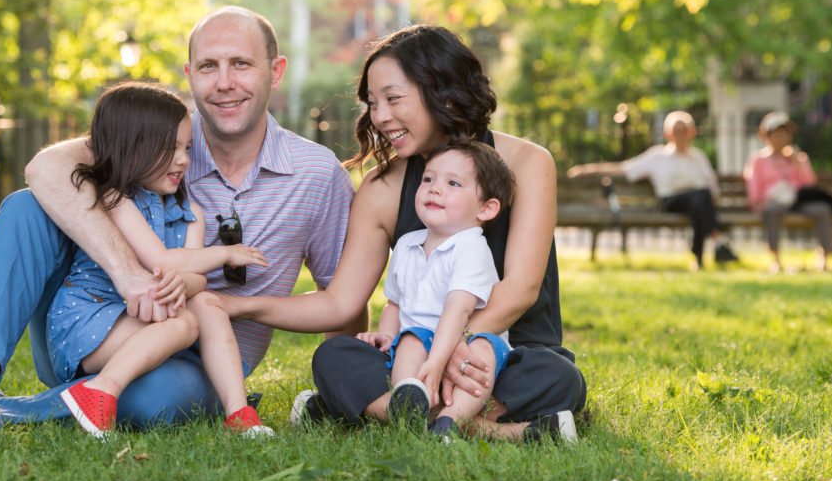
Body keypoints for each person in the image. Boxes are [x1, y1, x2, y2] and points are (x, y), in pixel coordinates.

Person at [0, 6, 354, 433]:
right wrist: (128, 274)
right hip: (93, 325)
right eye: (209, 66)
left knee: (160, 399)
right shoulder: (156, 137)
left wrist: (341, 383)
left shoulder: (316, 174)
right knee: (28, 206)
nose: (224, 82)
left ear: (276, 71)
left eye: (242, 64)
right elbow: (45, 168)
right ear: (189, 75)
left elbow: (342, 299)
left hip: (202, 363)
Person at [225, 24, 586, 442]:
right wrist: (240, 305)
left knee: (560, 379)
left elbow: (521, 288)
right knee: (334, 358)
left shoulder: (528, 163)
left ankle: (388, 411)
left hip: (507, 354)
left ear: (445, 92)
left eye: (393, 99)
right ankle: (485, 427)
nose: (379, 117)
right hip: (410, 361)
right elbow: (341, 302)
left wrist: (451, 349)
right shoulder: (382, 189)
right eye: (373, 103)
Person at [47, 82, 272, 439]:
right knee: (184, 324)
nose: (183, 159)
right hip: (90, 323)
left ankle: (239, 413)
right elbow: (162, 261)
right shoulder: (116, 201)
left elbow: (195, 280)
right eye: (169, 149)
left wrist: (188, 279)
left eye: (186, 147)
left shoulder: (191, 213)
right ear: (131, 148)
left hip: (146, 322)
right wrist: (225, 253)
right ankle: (98, 392)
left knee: (208, 304)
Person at [358, 140, 531, 442]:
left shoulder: (470, 247)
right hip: (416, 346)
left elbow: (458, 308)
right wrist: (386, 336)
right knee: (405, 341)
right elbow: (394, 304)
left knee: (484, 350)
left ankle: (449, 421)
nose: (435, 188)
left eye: (453, 183)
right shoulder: (406, 244)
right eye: (428, 179)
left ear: (486, 208)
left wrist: (438, 360)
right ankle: (410, 401)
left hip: (466, 344)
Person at [567, 111, 739, 270]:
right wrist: (588, 169)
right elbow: (623, 168)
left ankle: (700, 259)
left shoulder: (698, 157)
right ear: (668, 134)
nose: (680, 135)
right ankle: (719, 243)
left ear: (691, 132)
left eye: (684, 130)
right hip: (672, 201)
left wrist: (713, 197)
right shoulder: (657, 156)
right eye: (676, 130)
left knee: (699, 202)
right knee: (701, 198)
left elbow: (711, 183)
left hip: (700, 204)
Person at [744, 111, 832, 274]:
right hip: (774, 201)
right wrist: (756, 201)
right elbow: (754, 184)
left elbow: (810, 183)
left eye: (784, 134)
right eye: (776, 134)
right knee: (771, 211)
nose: (780, 138)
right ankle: (776, 260)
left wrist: (798, 163)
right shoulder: (758, 159)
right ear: (767, 136)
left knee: (823, 210)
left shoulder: (798, 157)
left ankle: (823, 259)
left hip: (799, 200)